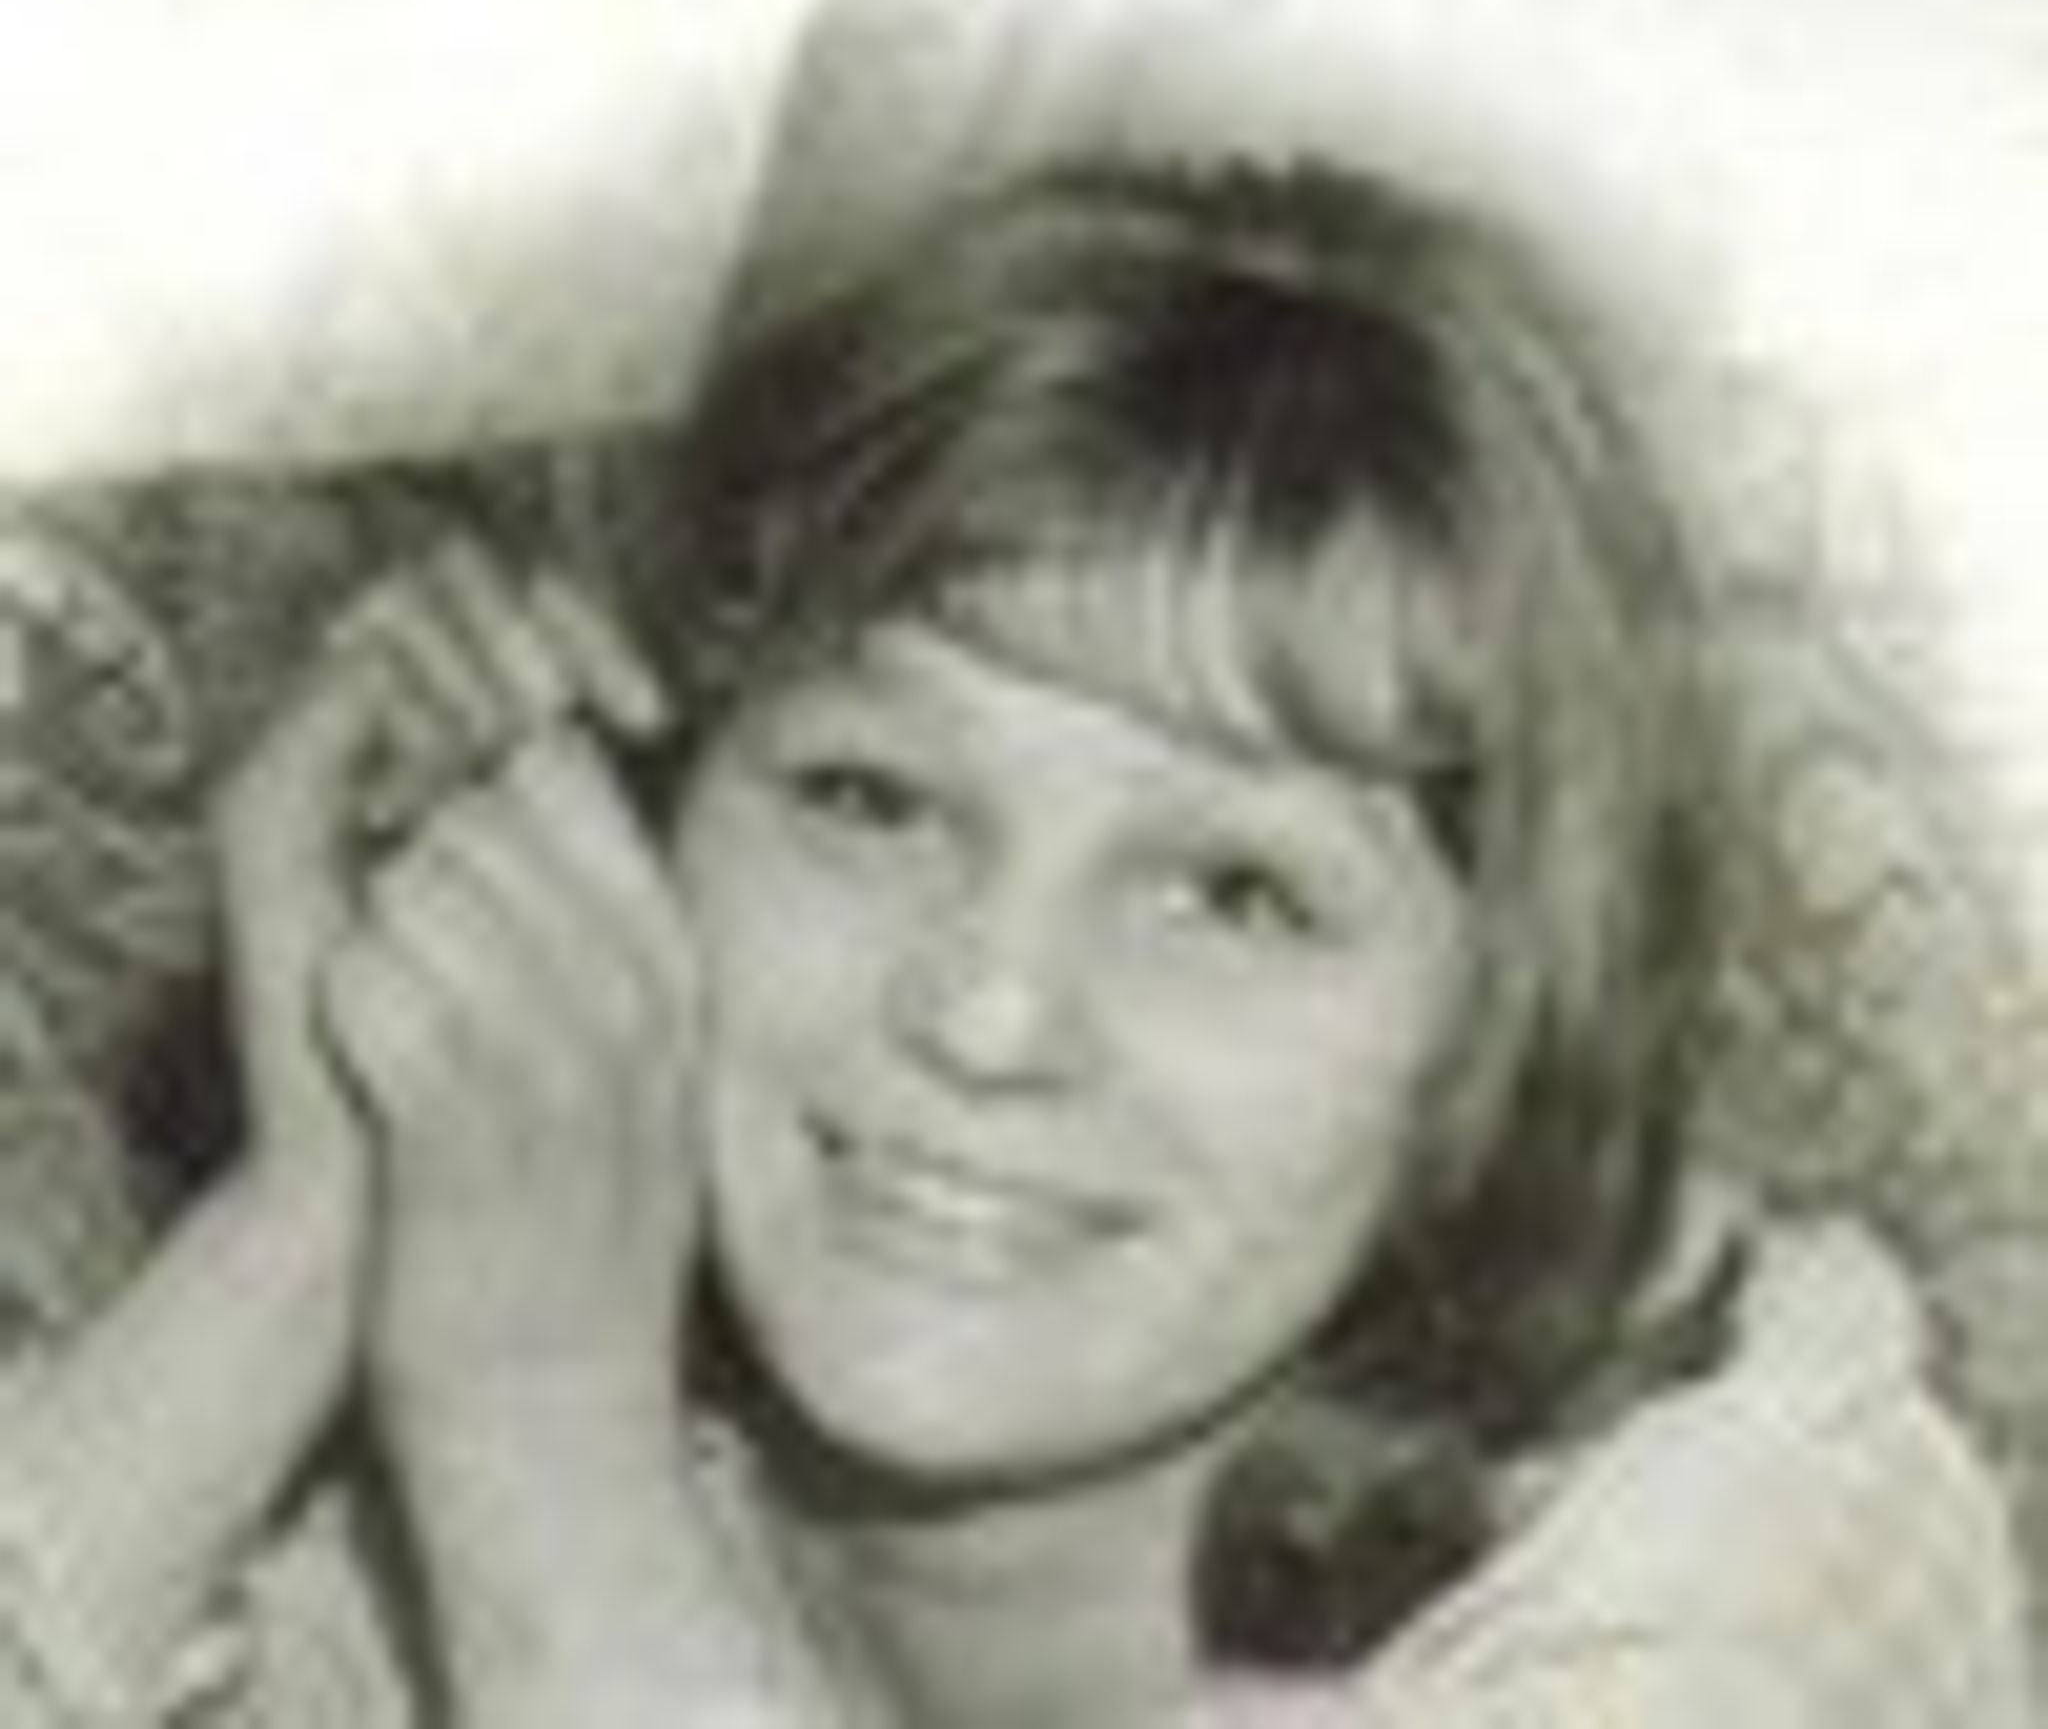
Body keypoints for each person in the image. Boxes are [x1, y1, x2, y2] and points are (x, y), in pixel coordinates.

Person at [0, 154, 2033, 1727]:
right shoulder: (625, 1410)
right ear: (649, 827)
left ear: (1504, 1032)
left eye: (1235, 894)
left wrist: (538, 1427)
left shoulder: (1745, 1560)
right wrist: (323, 1200)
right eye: (868, 799)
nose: (984, 1010)